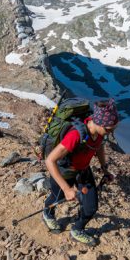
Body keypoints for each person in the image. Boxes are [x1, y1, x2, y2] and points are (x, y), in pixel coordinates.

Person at [42, 98, 118, 245]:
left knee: (91, 206)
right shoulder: (76, 135)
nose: (111, 132)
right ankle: (48, 214)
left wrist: (104, 169)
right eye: (109, 129)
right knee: (55, 198)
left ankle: (77, 229)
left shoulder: (100, 133)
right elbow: (50, 160)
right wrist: (66, 189)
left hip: (83, 170)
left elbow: (99, 147)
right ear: (98, 122)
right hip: (65, 171)